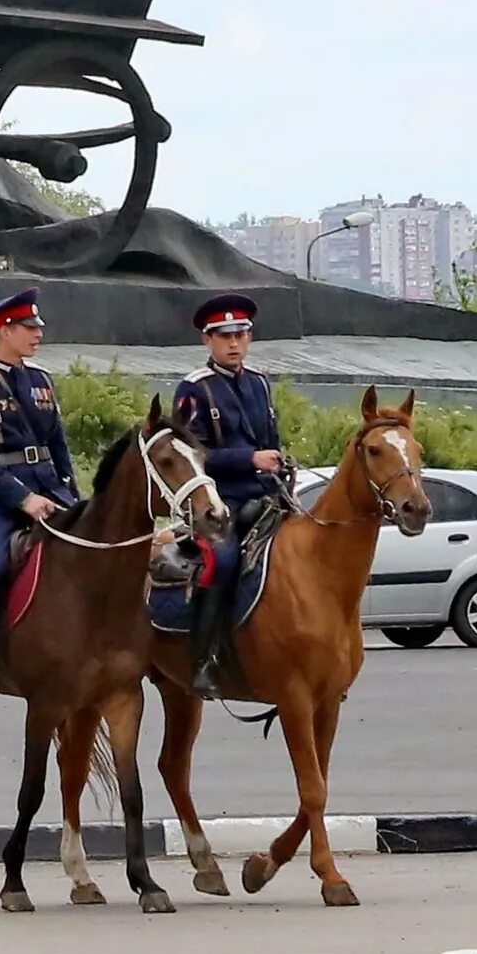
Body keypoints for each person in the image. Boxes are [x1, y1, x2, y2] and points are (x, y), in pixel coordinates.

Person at [0, 288, 78, 693]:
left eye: (38, 327)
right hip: (0, 500)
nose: (38, 334)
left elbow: (58, 444)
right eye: (29, 327)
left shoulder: (41, 381)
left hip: (50, 490)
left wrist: (70, 492)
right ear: (4, 331)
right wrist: (23, 498)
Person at [174, 293, 285, 695]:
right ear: (208, 341)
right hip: (221, 503)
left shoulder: (259, 383)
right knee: (220, 562)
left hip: (269, 496)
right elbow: (193, 455)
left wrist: (277, 464)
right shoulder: (194, 390)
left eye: (241, 334)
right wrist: (250, 459)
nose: (234, 343)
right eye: (224, 336)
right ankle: (203, 660)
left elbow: (272, 441)